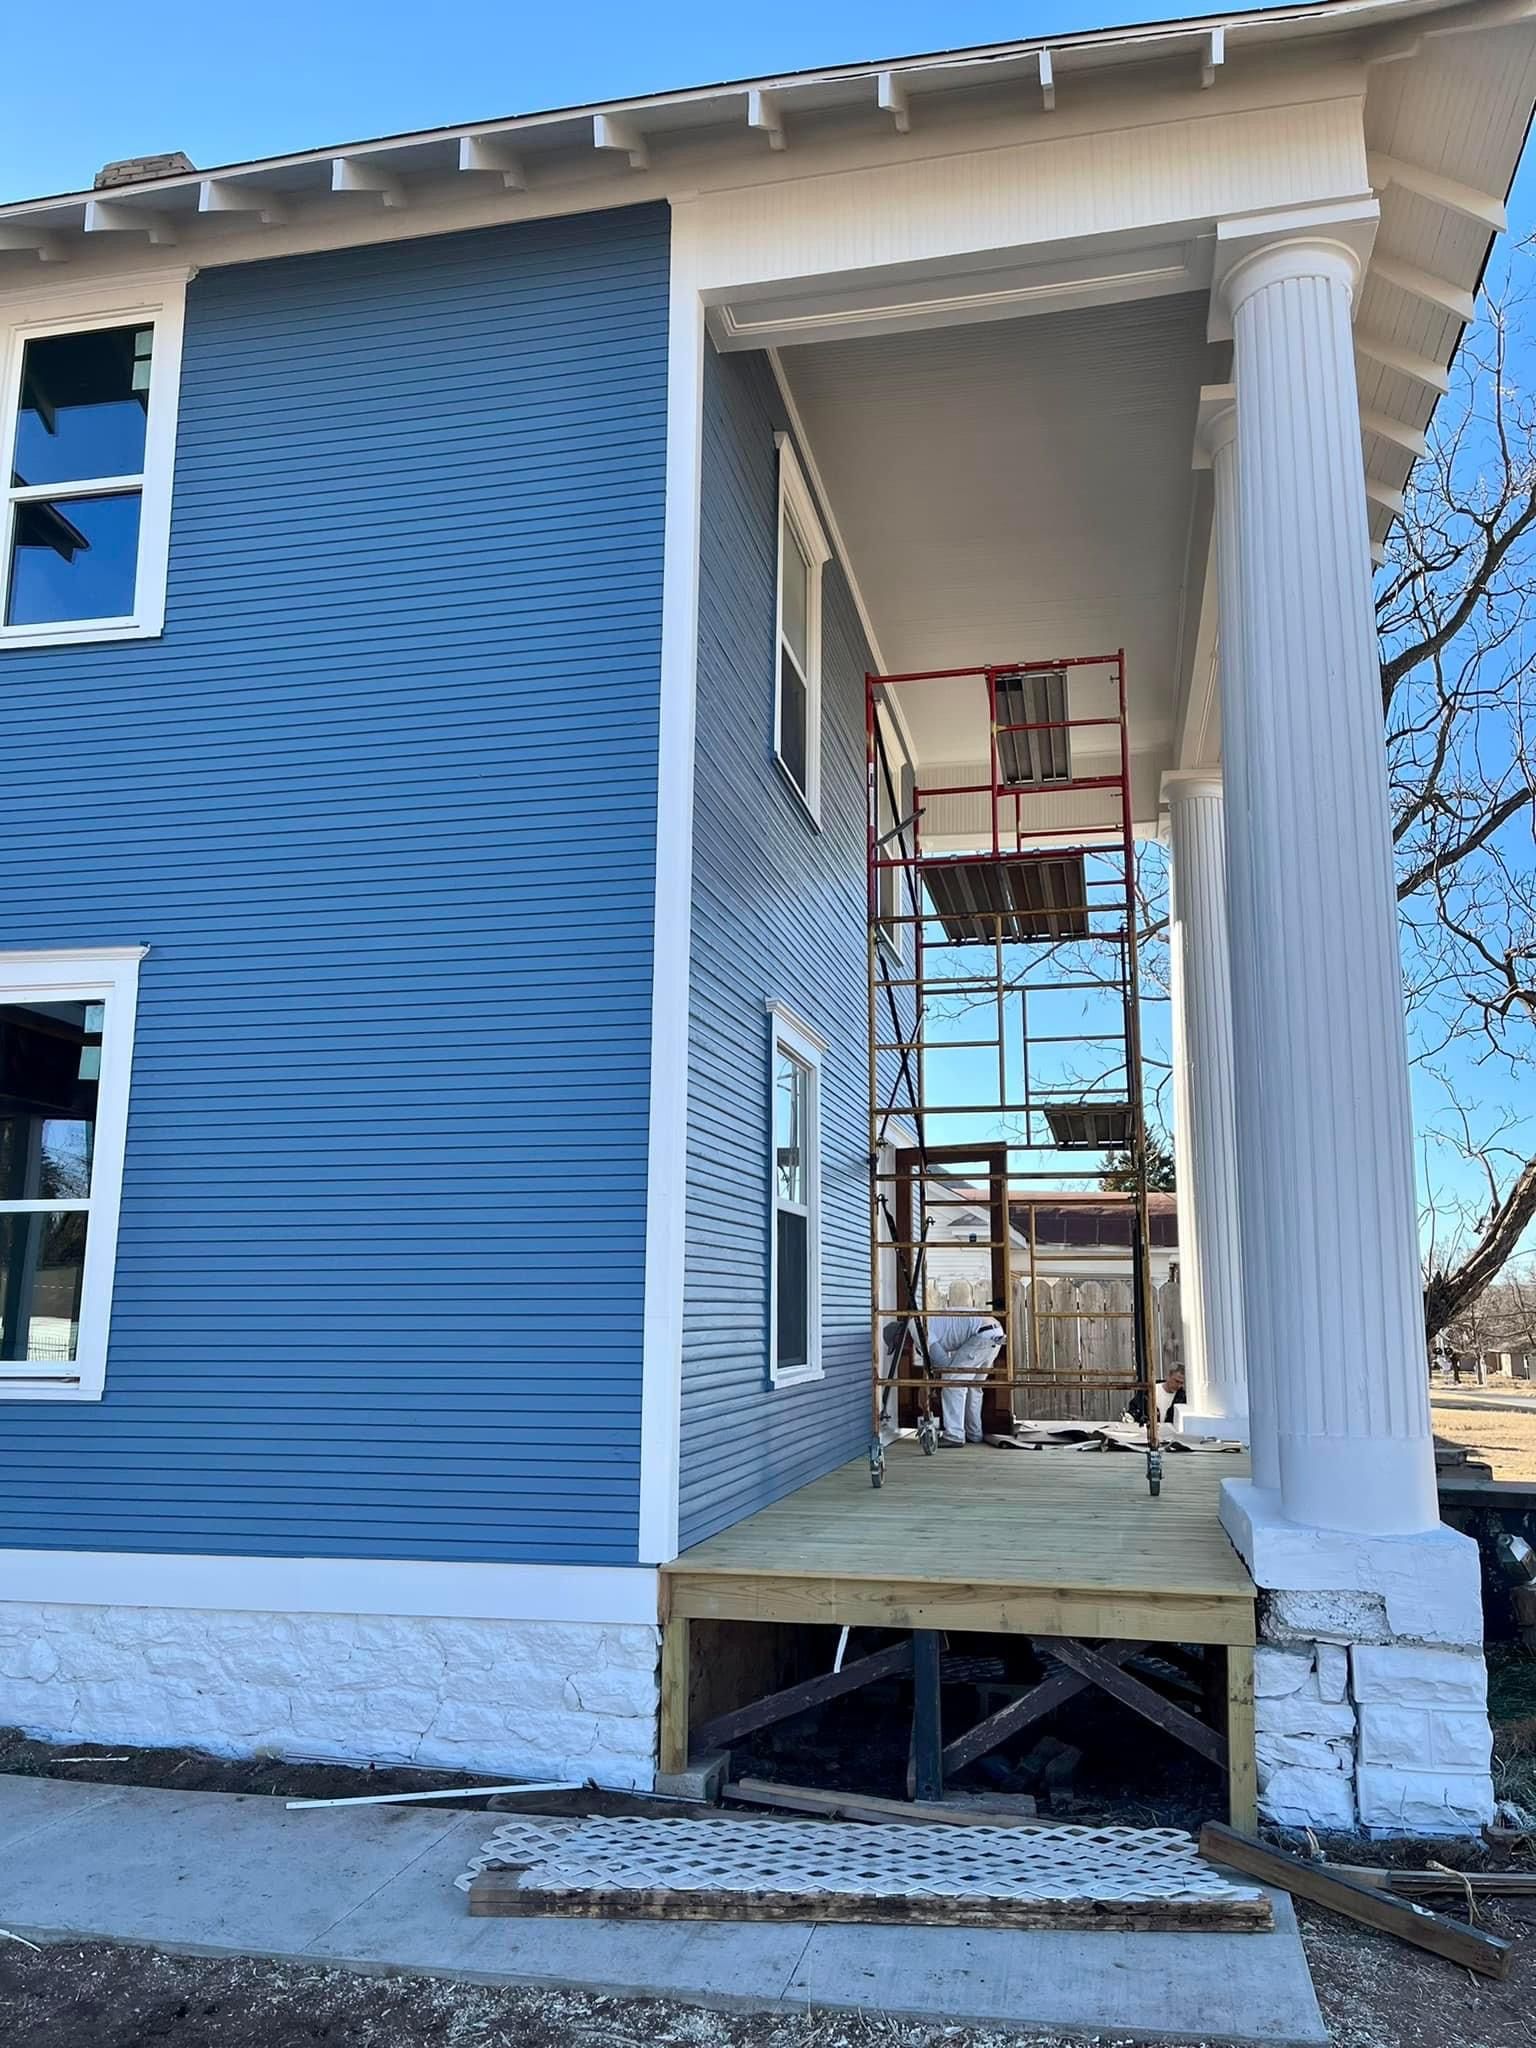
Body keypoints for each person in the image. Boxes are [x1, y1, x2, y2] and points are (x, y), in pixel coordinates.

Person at [926, 1279, 1007, 1445]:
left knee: (952, 1384)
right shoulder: (931, 1320)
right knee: (973, 1387)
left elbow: (943, 1362)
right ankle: (974, 1434)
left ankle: (954, 1436)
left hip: (980, 1335)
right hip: (995, 1332)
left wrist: (936, 1385)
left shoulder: (918, 1327)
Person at [1124, 1364, 1185, 1428]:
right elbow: (1135, 1409)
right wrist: (1130, 1417)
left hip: (1170, 1436)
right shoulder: (1148, 1391)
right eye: (1176, 1381)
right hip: (1146, 1434)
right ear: (1168, 1376)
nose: (1179, 1385)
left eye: (1181, 1383)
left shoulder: (1183, 1398)